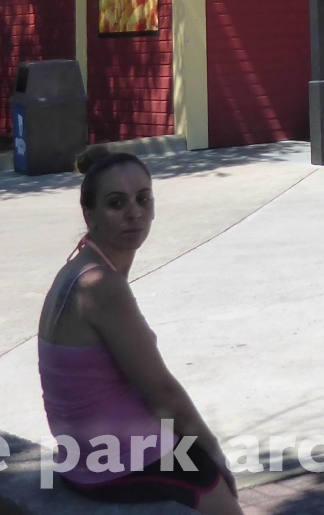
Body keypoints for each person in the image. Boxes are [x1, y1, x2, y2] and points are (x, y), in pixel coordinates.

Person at [37, 150, 242, 511]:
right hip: (116, 464)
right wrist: (213, 449)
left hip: (84, 458)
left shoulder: (76, 269)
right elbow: (163, 394)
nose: (134, 213)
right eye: (116, 203)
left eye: (143, 199)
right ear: (89, 214)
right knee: (220, 490)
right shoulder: (102, 285)